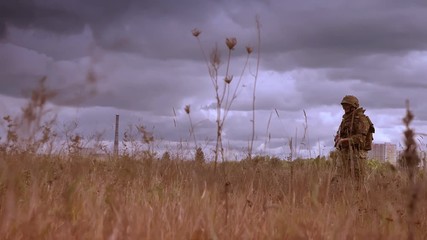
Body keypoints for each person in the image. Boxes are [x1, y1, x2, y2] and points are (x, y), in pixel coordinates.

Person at [334, 95, 373, 187]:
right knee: (339, 178)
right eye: (343, 106)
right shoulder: (346, 119)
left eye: (347, 105)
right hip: (345, 152)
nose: (344, 108)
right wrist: (339, 138)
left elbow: (360, 139)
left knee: (358, 180)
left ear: (353, 106)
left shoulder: (361, 119)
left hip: (357, 153)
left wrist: (344, 140)